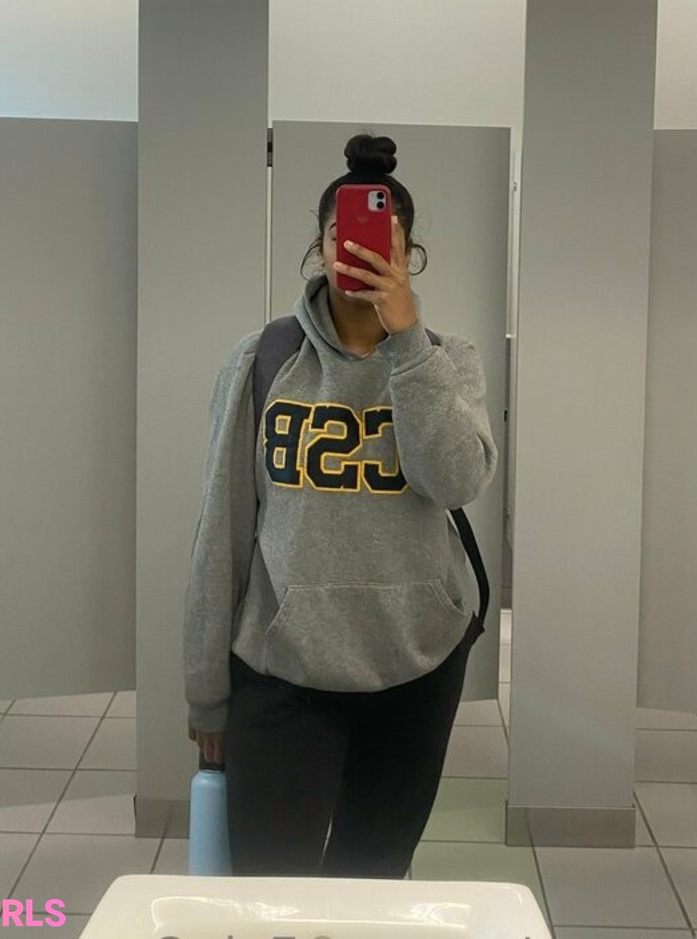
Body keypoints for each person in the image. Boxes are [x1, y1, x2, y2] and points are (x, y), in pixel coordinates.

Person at [182, 132, 497, 877]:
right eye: (340, 235)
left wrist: (407, 342)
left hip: (416, 669)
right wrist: (207, 695)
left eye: (384, 240)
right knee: (270, 890)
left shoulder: (448, 361)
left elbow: (456, 481)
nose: (357, 251)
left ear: (409, 254)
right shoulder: (261, 360)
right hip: (283, 672)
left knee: (374, 880)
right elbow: (221, 530)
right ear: (320, 248)